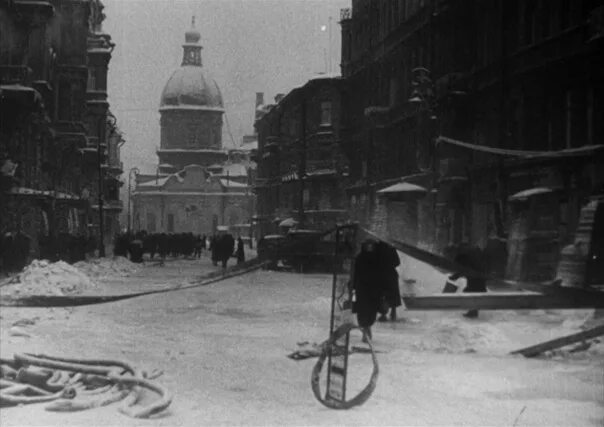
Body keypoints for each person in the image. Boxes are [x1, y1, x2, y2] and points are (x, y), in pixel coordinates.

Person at [351, 238, 385, 343]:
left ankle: (367, 329)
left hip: (374, 290)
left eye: (371, 245)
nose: (369, 247)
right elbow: (355, 273)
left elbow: (382, 274)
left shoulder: (377, 258)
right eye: (368, 245)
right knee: (362, 312)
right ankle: (365, 332)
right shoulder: (359, 258)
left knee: (371, 312)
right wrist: (353, 286)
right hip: (362, 289)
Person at [453, 248, 487, 318]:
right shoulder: (476, 262)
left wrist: (455, 276)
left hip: (476, 285)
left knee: (471, 294)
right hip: (479, 284)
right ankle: (473, 311)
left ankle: (473, 312)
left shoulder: (471, 264)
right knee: (472, 295)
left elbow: (464, 271)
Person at [376, 241, 401, 322]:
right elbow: (397, 262)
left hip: (381, 275)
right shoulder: (391, 247)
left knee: (382, 294)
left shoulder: (377, 247)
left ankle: (385, 313)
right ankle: (393, 313)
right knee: (392, 294)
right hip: (390, 274)